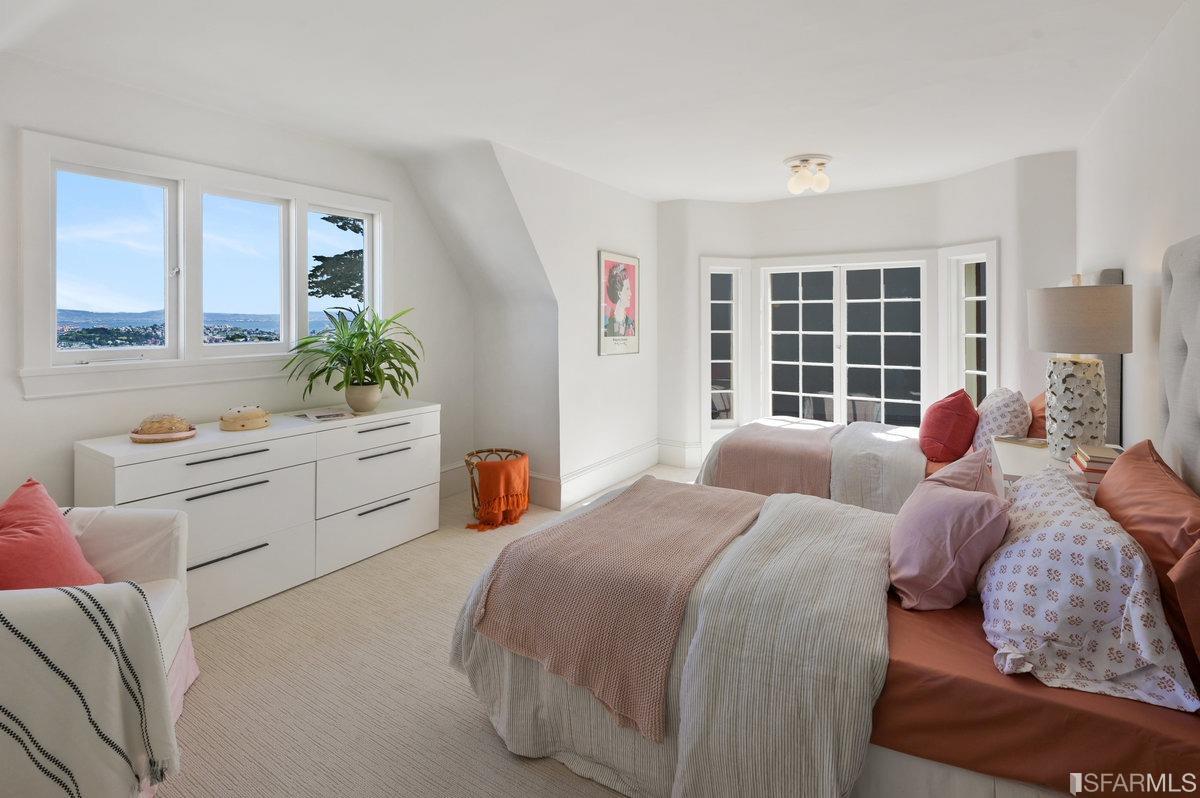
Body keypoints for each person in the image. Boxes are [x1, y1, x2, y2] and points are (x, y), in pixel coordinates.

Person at [604, 264, 635, 337]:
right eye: (627, 289)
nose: (630, 293)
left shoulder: (631, 324)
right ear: (619, 293)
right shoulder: (606, 326)